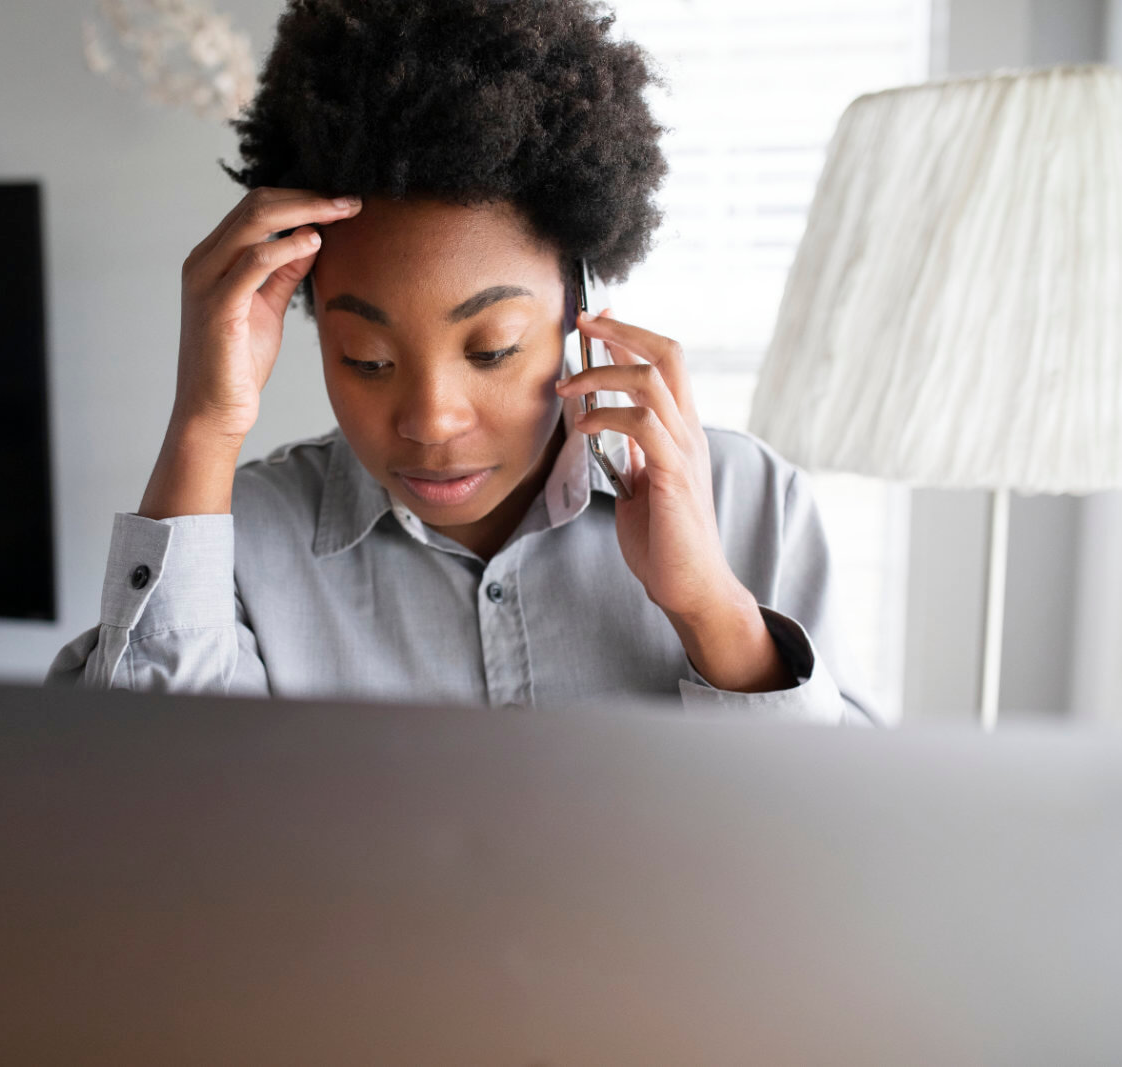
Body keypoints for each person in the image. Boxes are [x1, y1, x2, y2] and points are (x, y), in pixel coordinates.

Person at [48, 0, 881, 725]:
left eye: (492, 349)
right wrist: (205, 420)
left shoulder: (750, 503)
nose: (430, 420)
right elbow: (134, 815)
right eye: (366, 359)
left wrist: (710, 610)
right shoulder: (236, 543)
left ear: (578, 301)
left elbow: (844, 846)